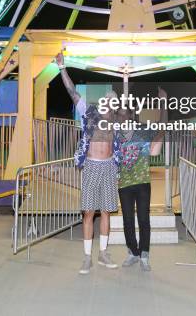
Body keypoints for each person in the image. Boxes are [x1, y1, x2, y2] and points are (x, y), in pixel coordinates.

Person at [56, 52, 121, 275]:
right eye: (109, 99)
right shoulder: (89, 112)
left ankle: (103, 253)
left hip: (110, 167)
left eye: (115, 101)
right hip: (92, 166)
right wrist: (62, 68)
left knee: (106, 212)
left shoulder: (117, 121)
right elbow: (72, 92)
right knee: (88, 213)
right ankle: (87, 258)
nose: (111, 103)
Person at [117, 87, 167, 272]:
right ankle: (133, 252)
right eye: (119, 115)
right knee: (128, 220)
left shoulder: (143, 131)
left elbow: (161, 127)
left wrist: (163, 103)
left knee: (143, 219)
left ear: (131, 116)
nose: (122, 118)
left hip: (143, 182)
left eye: (125, 114)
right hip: (124, 184)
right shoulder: (115, 136)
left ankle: (144, 254)